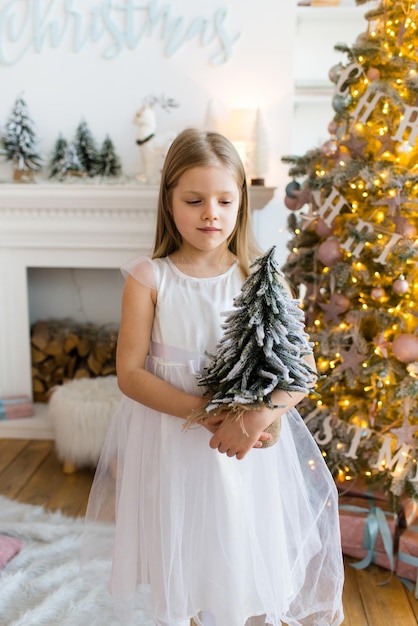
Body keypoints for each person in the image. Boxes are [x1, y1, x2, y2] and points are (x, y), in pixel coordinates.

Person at [83, 128, 344, 626]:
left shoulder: (260, 278)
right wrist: (208, 415)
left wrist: (256, 419)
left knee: (236, 545)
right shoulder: (148, 277)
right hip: (173, 439)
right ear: (169, 200)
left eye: (225, 200)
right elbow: (131, 374)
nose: (211, 214)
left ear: (241, 202)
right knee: (183, 547)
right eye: (195, 199)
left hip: (245, 449)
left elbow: (302, 370)